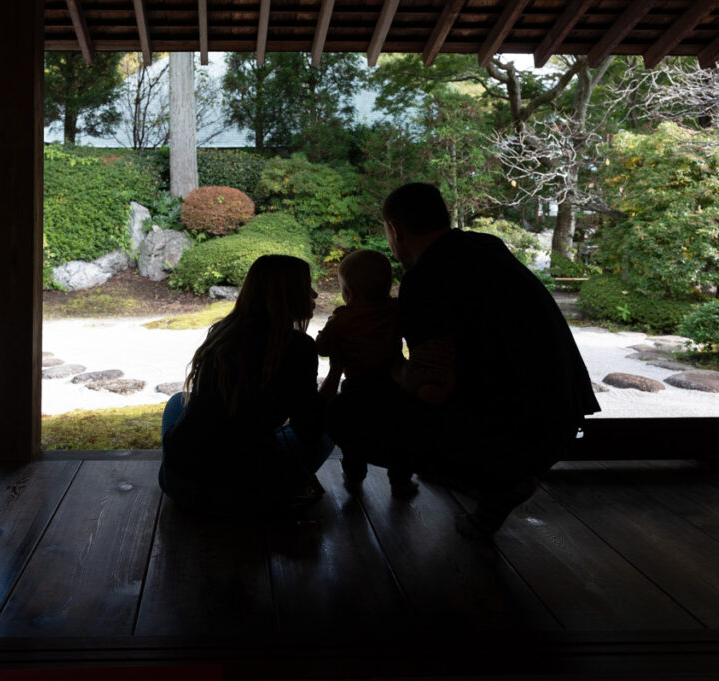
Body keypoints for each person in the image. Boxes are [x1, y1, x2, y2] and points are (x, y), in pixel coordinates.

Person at [338, 182, 600, 538]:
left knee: (348, 408)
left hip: (511, 432)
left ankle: (493, 474)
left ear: (394, 230)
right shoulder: (486, 247)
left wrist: (387, 364)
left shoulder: (426, 279)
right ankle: (493, 477)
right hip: (561, 419)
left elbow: (433, 387)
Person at [158, 254, 334, 516]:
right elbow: (309, 429)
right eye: (307, 286)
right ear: (288, 294)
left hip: (177, 482)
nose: (315, 294)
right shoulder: (297, 346)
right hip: (246, 489)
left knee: (177, 402)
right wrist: (338, 368)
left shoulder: (222, 332)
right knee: (332, 421)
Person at [316, 249, 418, 497]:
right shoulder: (396, 310)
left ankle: (353, 477)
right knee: (399, 434)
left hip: (357, 388)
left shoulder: (342, 318)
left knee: (353, 435)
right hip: (394, 384)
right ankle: (401, 482)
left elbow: (322, 348)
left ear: (348, 291)